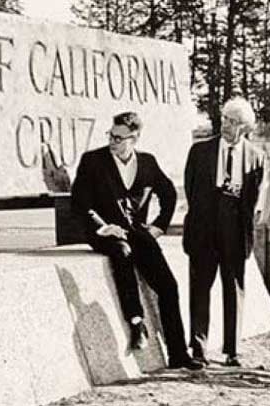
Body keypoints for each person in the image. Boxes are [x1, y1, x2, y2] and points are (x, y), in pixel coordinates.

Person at [71, 111, 203, 371]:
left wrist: (159, 226)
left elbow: (169, 195)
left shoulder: (147, 163)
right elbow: (80, 202)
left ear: (135, 138)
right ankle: (136, 322)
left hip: (138, 233)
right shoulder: (93, 161)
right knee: (122, 251)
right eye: (111, 135)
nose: (113, 141)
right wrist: (103, 227)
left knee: (168, 285)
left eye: (119, 138)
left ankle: (178, 354)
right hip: (104, 233)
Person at [182, 97, 266, 367]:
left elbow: (255, 201)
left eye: (232, 121)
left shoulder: (257, 156)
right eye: (224, 118)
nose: (225, 124)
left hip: (235, 231)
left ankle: (232, 350)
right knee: (200, 288)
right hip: (204, 230)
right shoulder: (199, 151)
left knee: (234, 289)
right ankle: (198, 347)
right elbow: (191, 189)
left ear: (244, 126)